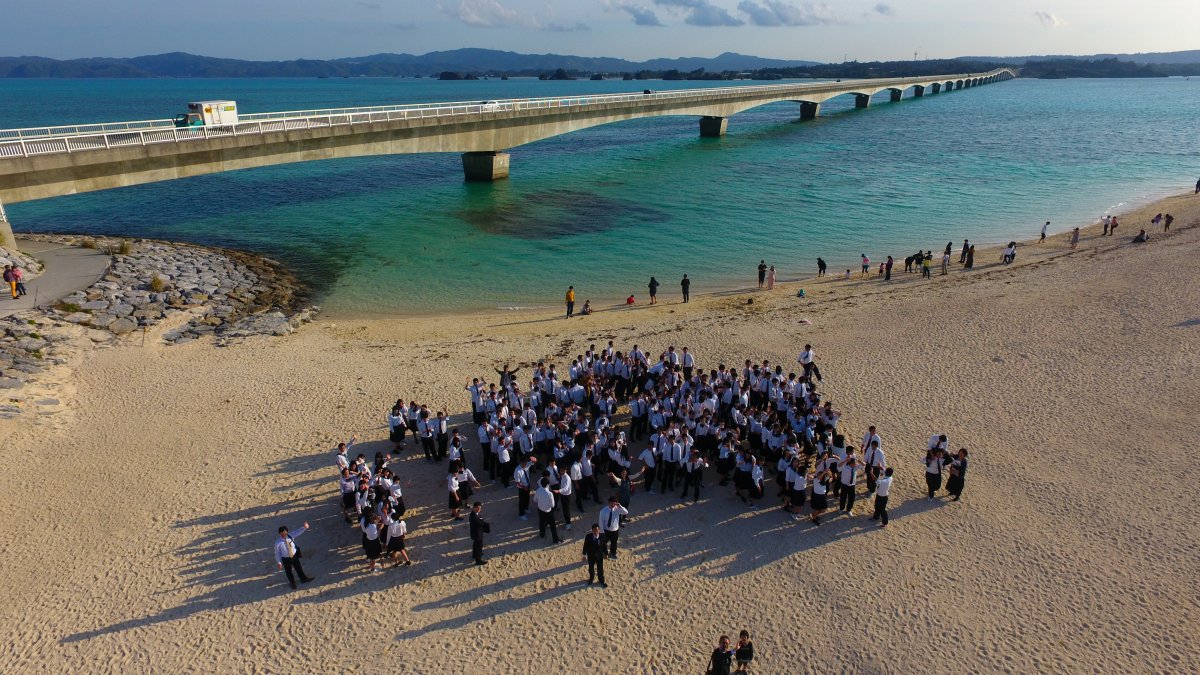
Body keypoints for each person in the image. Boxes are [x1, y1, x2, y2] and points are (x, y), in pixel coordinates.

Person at [273, 522, 314, 590]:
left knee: (299, 568)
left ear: (287, 532)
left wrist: (304, 527)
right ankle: (292, 583)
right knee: (289, 571)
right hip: (286, 559)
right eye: (282, 534)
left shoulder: (290, 535)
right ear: (279, 534)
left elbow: (297, 532)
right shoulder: (278, 542)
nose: (283, 535)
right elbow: (277, 553)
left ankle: (303, 579)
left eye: (285, 533)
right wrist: (279, 562)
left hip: (294, 556)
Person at [535, 476, 563, 543]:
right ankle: (555, 539)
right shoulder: (550, 494)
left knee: (541, 522)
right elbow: (552, 505)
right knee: (553, 526)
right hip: (548, 511)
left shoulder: (538, 490)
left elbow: (535, 500)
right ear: (548, 484)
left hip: (540, 509)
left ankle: (542, 534)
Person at [582, 523, 607, 587]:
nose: (595, 532)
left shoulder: (603, 536)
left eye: (597, 530)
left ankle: (601, 579)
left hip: (599, 556)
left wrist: (606, 553)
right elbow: (585, 546)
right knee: (591, 568)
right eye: (594, 530)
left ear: (599, 530)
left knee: (600, 568)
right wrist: (584, 556)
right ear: (592, 530)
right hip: (591, 555)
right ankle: (591, 578)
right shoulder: (588, 536)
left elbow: (604, 546)